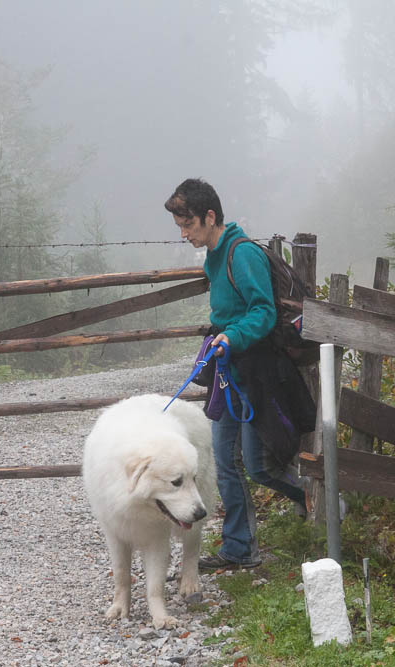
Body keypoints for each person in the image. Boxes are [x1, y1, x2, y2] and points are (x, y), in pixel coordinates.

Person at [165, 177, 308, 571]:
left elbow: (262, 311)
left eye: (188, 224)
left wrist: (232, 335)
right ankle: (239, 549)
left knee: (258, 465)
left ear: (210, 217)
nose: (184, 234)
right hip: (229, 369)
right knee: (224, 460)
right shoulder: (214, 254)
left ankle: (313, 495)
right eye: (179, 226)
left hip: (255, 369)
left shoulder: (241, 254)